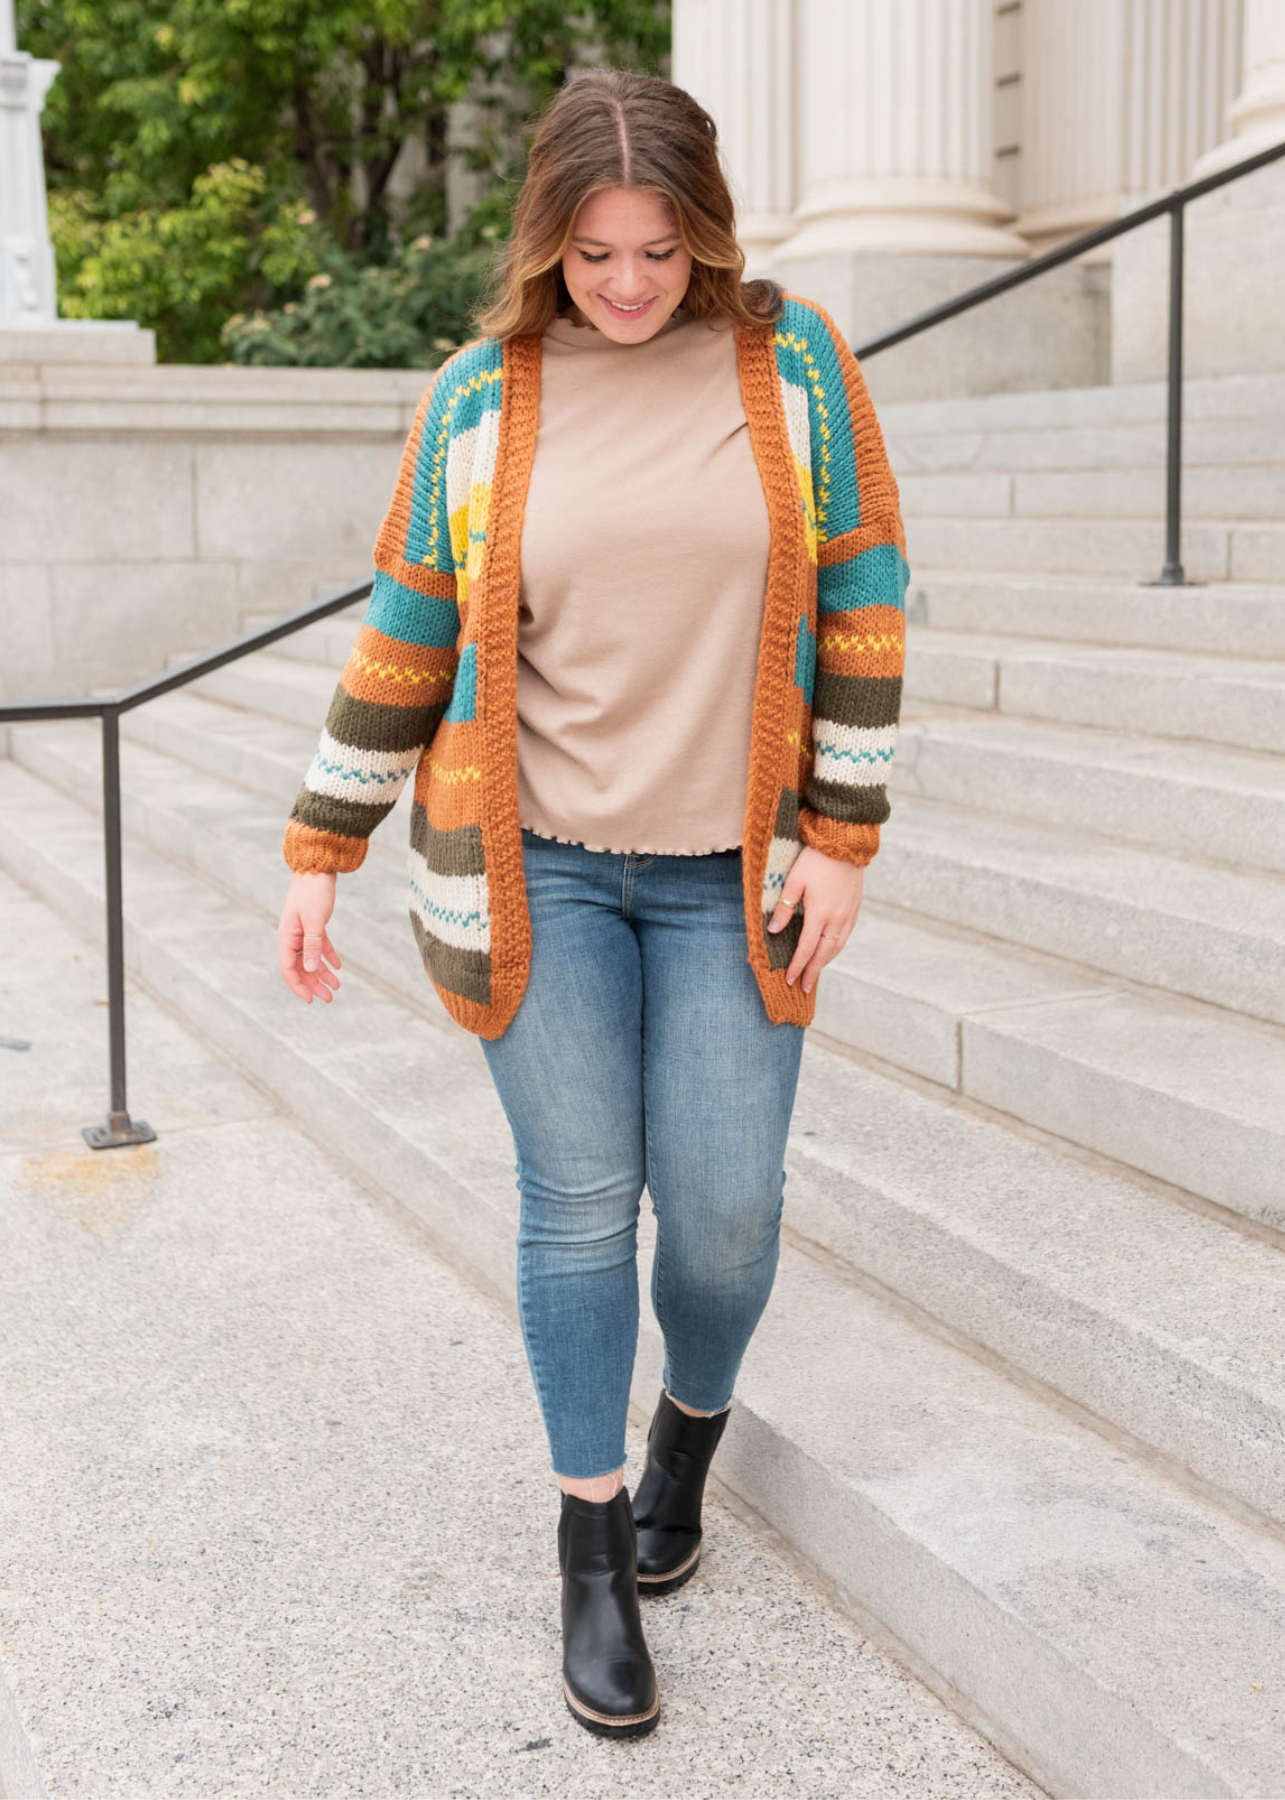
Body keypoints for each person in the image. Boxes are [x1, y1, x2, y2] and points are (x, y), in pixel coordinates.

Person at [275, 67, 909, 1742]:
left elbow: (862, 590)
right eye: (590, 255)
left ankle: (684, 1437)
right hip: (534, 864)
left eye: (653, 250)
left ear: (702, 231)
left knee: (721, 1218)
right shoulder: (484, 394)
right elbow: (409, 624)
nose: (624, 285)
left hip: (730, 879)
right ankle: (587, 1553)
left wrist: (841, 832)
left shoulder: (794, 366)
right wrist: (319, 843)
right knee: (576, 1205)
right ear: (545, 243)